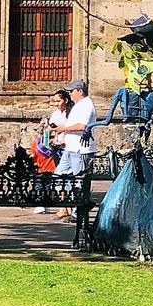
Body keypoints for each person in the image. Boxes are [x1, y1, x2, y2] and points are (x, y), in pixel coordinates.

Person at [49, 79, 97, 220]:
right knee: (59, 176)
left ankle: (79, 211)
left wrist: (63, 128)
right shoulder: (78, 105)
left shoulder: (87, 105)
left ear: (80, 91)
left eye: (72, 91)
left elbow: (82, 126)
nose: (70, 94)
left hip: (81, 150)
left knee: (79, 181)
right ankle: (70, 205)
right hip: (70, 149)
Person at [31, 90, 71, 214]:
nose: (56, 104)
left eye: (58, 101)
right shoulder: (55, 114)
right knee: (57, 176)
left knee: (66, 177)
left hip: (67, 147)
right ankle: (62, 207)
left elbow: (73, 131)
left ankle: (68, 207)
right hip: (56, 148)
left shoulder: (71, 114)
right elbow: (51, 131)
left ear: (66, 100)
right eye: (55, 101)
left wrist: (62, 139)